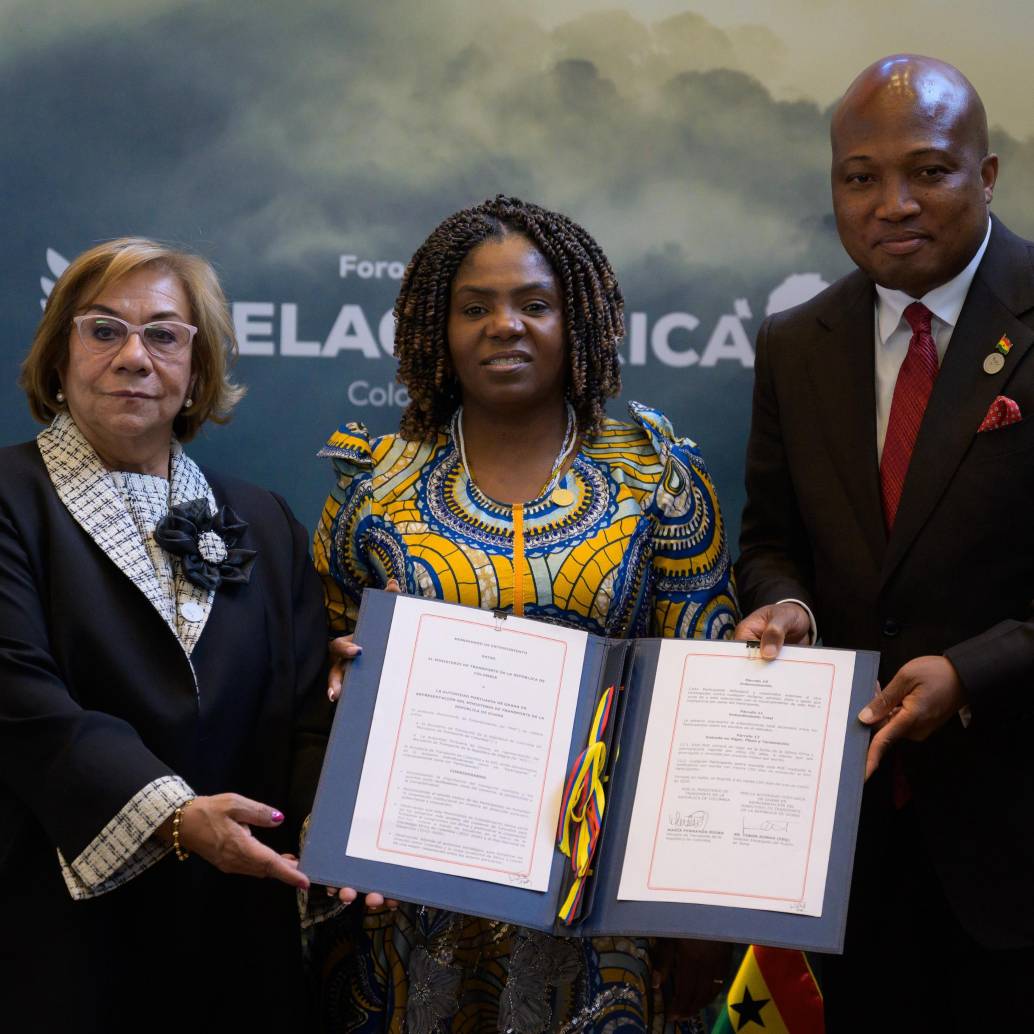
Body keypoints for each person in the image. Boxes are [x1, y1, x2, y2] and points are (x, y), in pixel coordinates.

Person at [313, 195, 739, 1033]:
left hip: (604, 903)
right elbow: (322, 670)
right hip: (413, 901)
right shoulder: (375, 488)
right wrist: (333, 673)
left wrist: (702, 911)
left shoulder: (656, 482)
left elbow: (708, 694)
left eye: (534, 304)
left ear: (577, 320)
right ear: (436, 327)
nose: (504, 326)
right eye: (474, 307)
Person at [735, 55, 1034, 1031]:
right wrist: (787, 603)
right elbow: (771, 536)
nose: (891, 203)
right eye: (858, 177)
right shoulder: (793, 342)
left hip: (1013, 828)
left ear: (984, 175)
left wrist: (969, 669)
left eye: (927, 171)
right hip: (849, 841)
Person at [0, 238, 330, 1031]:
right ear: (59, 357)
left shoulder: (265, 520)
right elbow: (20, 694)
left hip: (239, 941)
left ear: (197, 369)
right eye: (103, 329)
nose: (133, 357)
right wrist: (176, 818)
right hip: (55, 936)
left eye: (164, 334)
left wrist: (342, 829)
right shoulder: (10, 497)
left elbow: (308, 715)